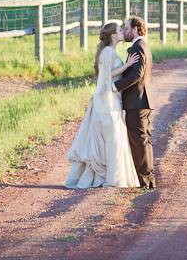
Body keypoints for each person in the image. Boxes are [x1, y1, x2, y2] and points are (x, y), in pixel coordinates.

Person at [65, 21, 140, 189]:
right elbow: (105, 76)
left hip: (112, 99)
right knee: (111, 138)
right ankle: (109, 177)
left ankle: (111, 176)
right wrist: (127, 66)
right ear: (113, 36)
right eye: (120, 30)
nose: (122, 32)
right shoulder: (107, 52)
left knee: (113, 138)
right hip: (106, 101)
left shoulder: (112, 51)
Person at [113, 16, 156, 190]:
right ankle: (148, 179)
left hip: (136, 102)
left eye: (126, 28)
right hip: (142, 100)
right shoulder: (143, 46)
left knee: (139, 142)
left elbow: (136, 74)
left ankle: (144, 180)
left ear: (136, 29)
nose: (124, 31)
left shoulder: (137, 47)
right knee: (144, 141)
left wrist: (115, 86)